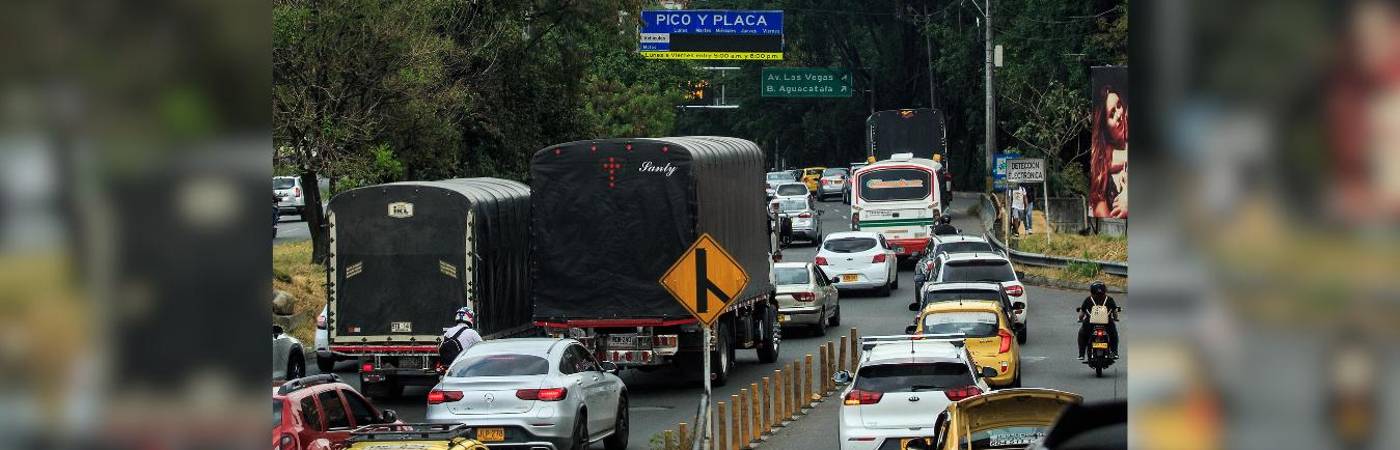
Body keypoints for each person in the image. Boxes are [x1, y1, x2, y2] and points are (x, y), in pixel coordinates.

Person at [1090, 84, 1128, 219]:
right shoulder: (1103, 162)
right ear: (1104, 128)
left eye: (1119, 105)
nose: (1120, 114)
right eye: (1112, 114)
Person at [1077, 281, 1120, 360]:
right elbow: (1115, 312)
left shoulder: (1088, 300)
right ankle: (1114, 352)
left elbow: (1082, 313)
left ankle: (1081, 354)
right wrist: (1116, 318)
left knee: (1082, 334)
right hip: (1107, 324)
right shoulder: (1109, 299)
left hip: (1090, 324)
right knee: (1113, 335)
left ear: (1092, 291)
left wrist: (1080, 319)